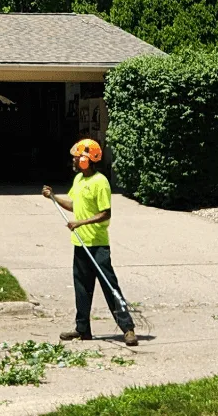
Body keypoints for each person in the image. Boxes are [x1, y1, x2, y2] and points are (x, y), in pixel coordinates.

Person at [43, 139, 138, 347]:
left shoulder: (100, 182)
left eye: (77, 157)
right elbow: (74, 205)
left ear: (86, 160)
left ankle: (128, 328)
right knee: (82, 289)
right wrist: (54, 198)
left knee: (109, 286)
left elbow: (105, 213)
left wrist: (80, 223)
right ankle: (82, 329)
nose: (73, 160)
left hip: (98, 245)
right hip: (80, 244)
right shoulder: (78, 179)